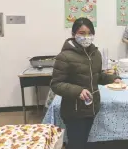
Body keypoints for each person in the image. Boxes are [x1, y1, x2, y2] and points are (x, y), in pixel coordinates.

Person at [51, 18, 121, 149]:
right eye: (82, 33)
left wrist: (113, 78)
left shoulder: (95, 54)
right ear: (73, 34)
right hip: (74, 111)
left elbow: (97, 76)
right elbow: (56, 84)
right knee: (76, 144)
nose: (86, 37)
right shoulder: (64, 56)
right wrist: (78, 91)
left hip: (92, 108)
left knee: (83, 142)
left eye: (89, 33)